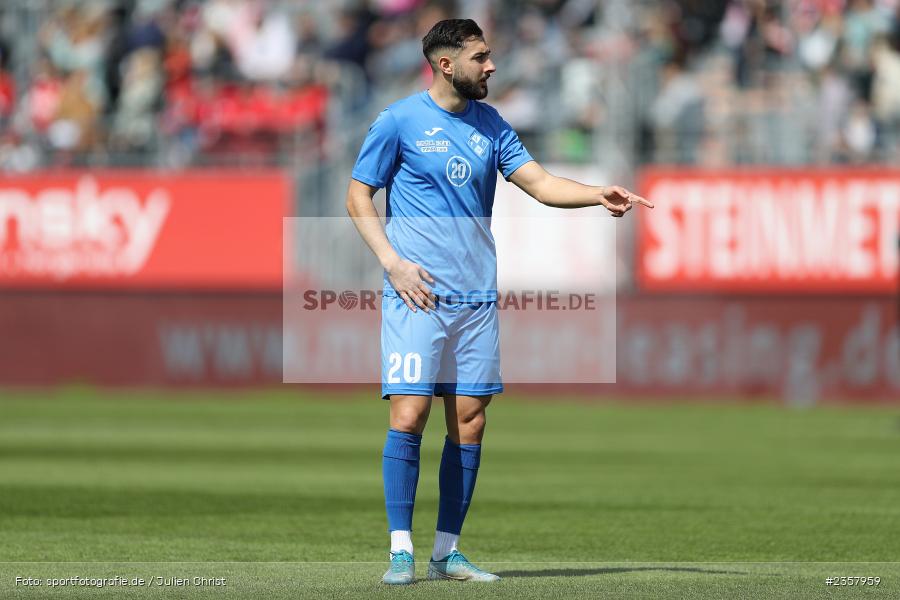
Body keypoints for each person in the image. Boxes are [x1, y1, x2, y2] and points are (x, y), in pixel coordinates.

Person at [346, 18, 652, 586]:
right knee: (409, 414)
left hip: (476, 298)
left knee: (470, 421)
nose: (490, 65)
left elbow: (537, 182)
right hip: (416, 295)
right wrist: (391, 261)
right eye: (480, 57)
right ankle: (400, 552)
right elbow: (358, 193)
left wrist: (594, 195)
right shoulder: (399, 121)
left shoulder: (491, 124)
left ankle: (446, 553)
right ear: (446, 64)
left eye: (490, 55)